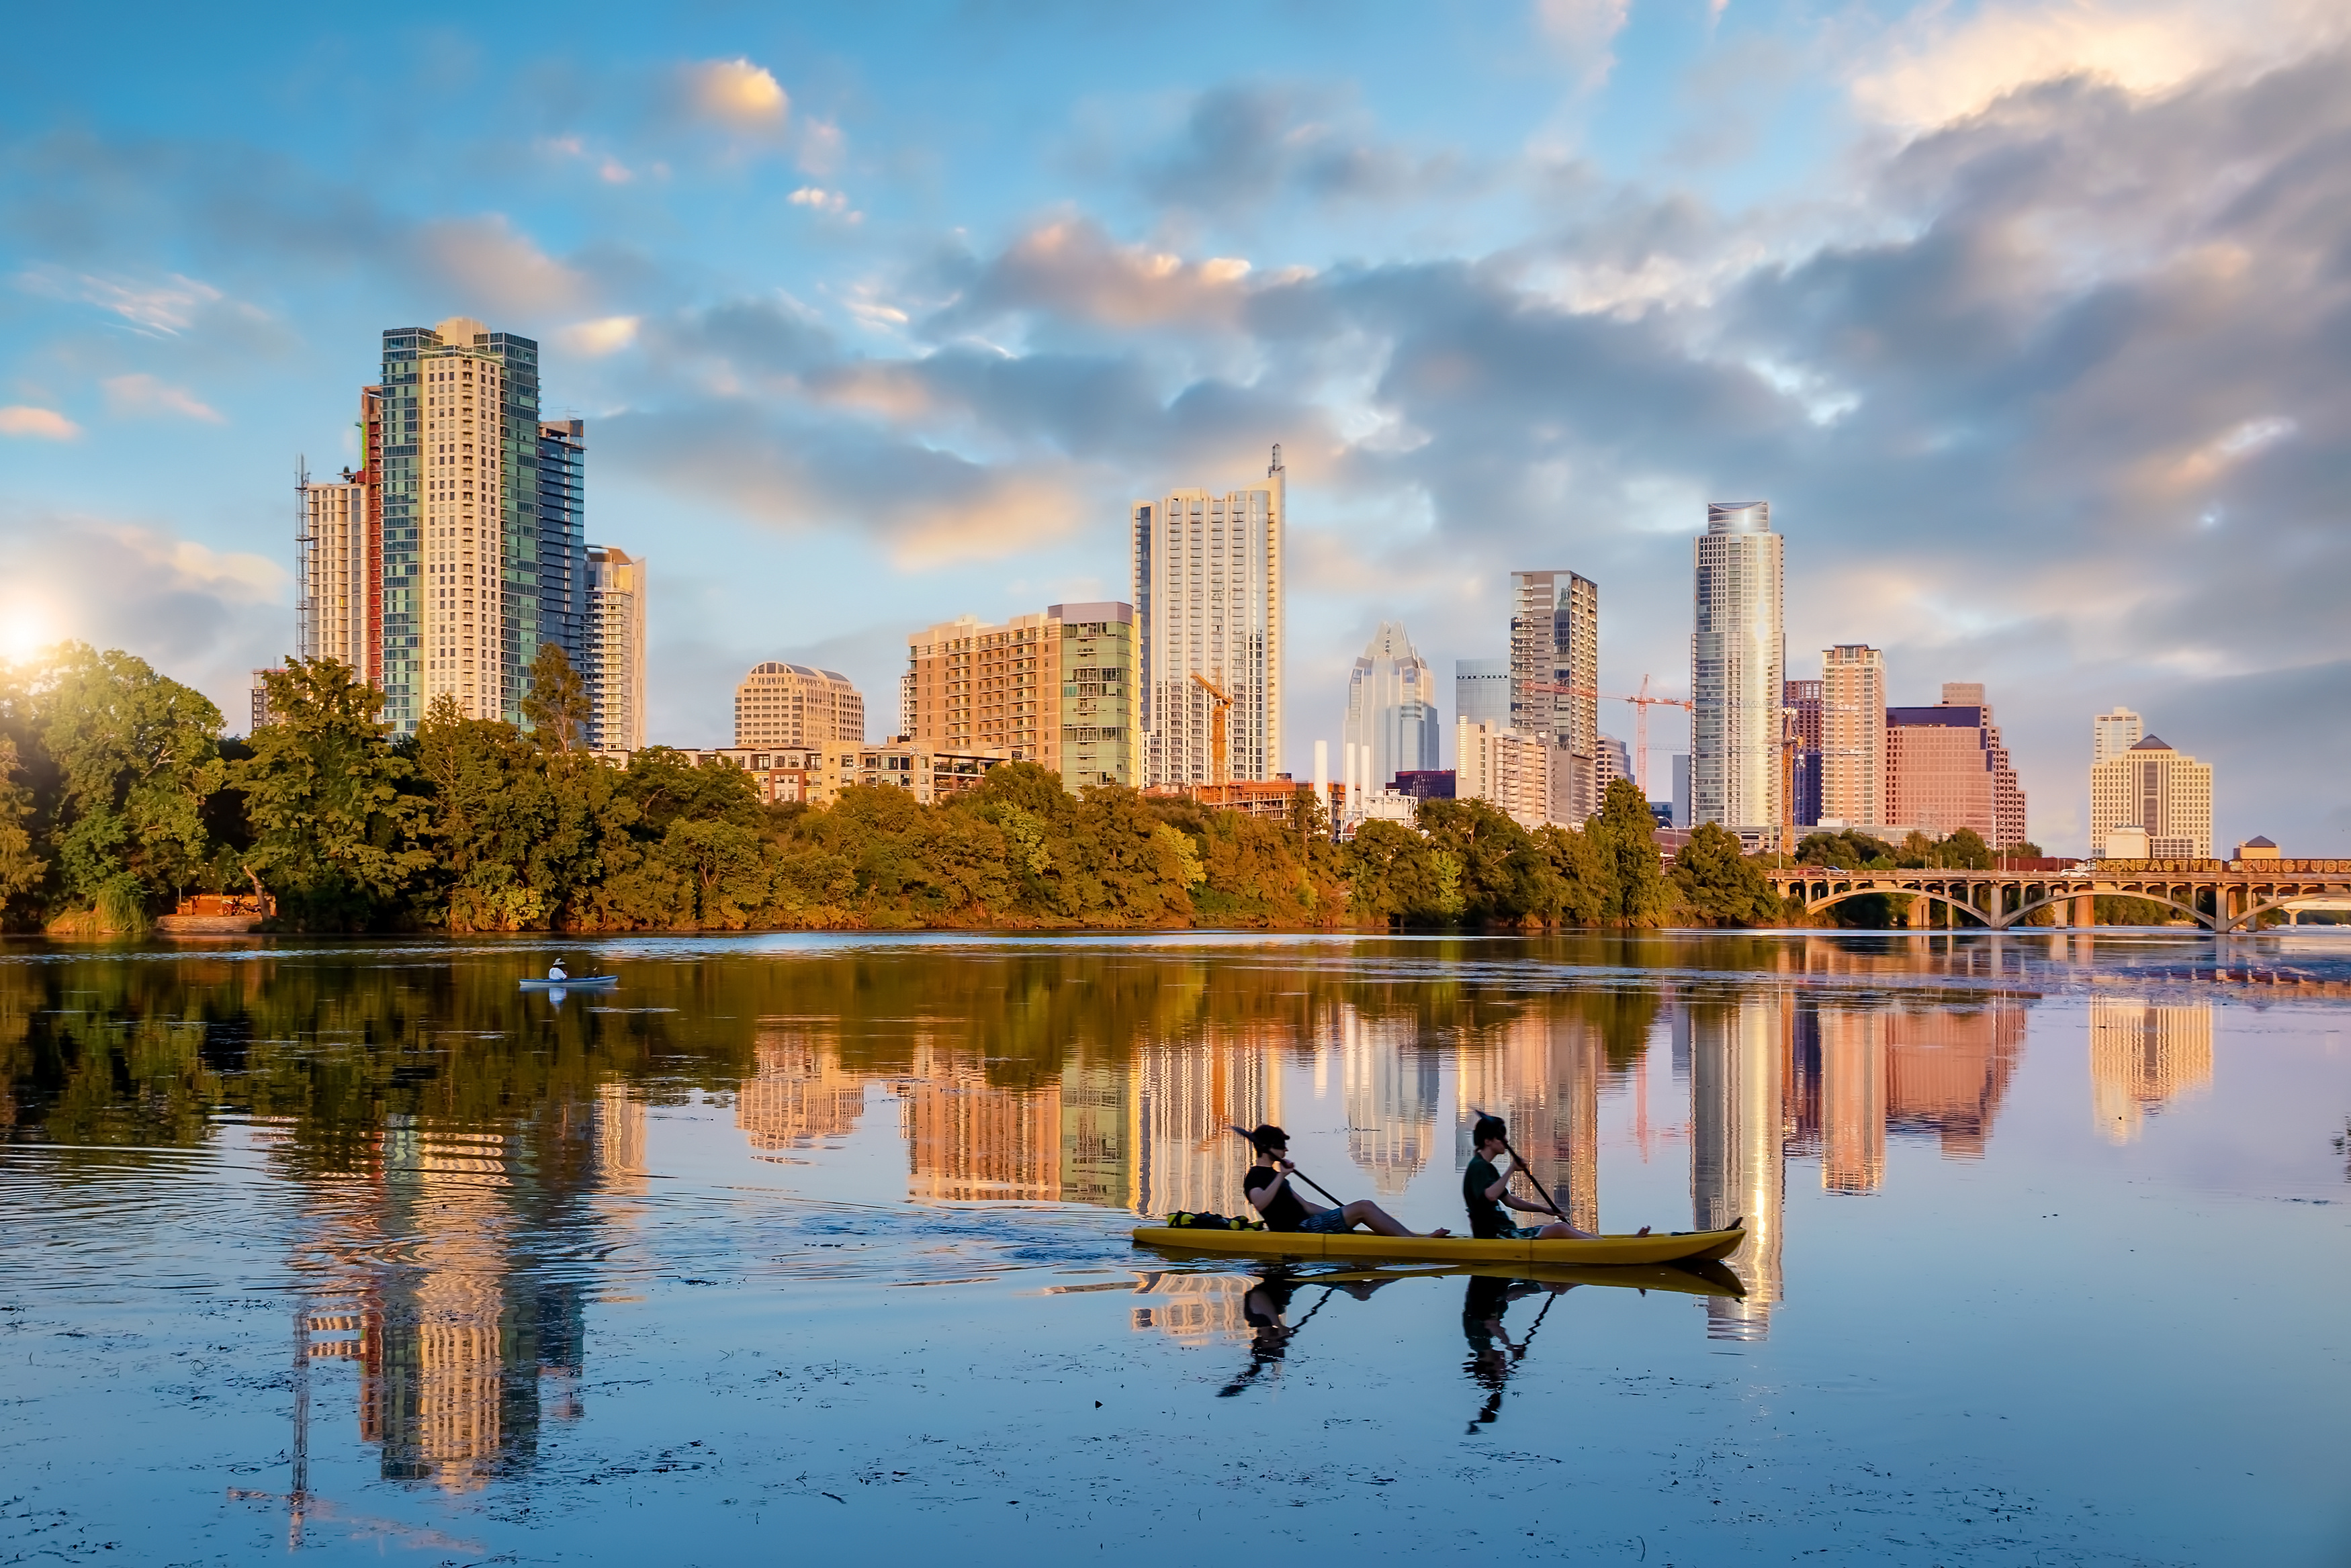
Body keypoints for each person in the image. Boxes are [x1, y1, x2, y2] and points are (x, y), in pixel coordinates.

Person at [1240, 1124, 1450, 1238]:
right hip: (1299, 1231)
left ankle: (1411, 1237)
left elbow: (1306, 1205)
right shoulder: (1255, 1177)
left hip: (1309, 1224)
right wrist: (1281, 1176)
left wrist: (1340, 1214)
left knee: (1361, 1292)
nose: (1286, 1150)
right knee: (1365, 1207)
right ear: (1268, 1148)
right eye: (1281, 1146)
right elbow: (1259, 1202)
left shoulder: (1276, 1177)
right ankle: (1413, 1242)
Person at [1463, 1114, 1648, 1240]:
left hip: (1505, 1231)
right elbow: (1490, 1196)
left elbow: (1510, 1200)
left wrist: (1545, 1210)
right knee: (1561, 1229)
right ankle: (1613, 1249)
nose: (1506, 1142)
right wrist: (1512, 1168)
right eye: (1501, 1138)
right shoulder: (1478, 1167)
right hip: (1495, 1235)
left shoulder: (1486, 1168)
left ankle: (1610, 1244)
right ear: (1488, 1141)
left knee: (1565, 1229)